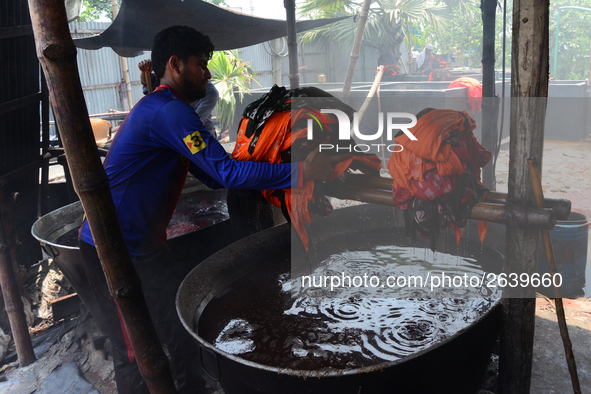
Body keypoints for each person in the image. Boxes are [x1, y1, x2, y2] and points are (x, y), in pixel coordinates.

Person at [78, 25, 348, 394]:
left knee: (179, 324)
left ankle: (191, 389)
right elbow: (228, 172)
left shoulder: (165, 109)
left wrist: (268, 171)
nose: (207, 74)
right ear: (175, 64)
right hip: (112, 248)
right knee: (134, 351)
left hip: (146, 247)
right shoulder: (170, 113)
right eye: (201, 64)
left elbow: (212, 174)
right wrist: (302, 171)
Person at [139, 59, 219, 136]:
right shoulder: (177, 80)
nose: (209, 75)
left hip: (199, 135)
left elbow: (193, 123)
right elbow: (149, 81)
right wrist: (145, 72)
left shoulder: (210, 93)